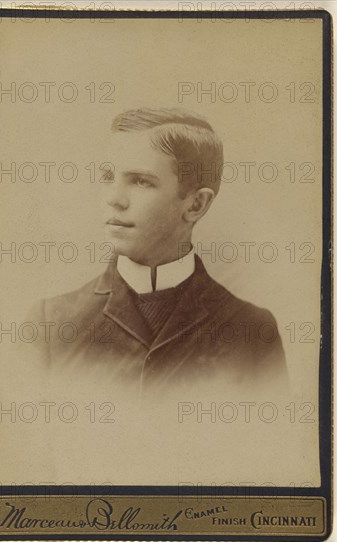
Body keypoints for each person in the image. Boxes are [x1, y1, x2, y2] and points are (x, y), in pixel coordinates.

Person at [28, 108, 287, 393]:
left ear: (196, 204)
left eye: (141, 181)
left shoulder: (251, 331)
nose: (114, 199)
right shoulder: (51, 323)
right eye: (107, 176)